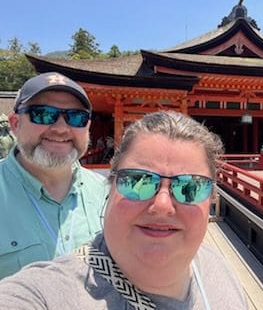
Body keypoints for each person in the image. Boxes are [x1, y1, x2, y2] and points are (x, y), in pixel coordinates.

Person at [0, 110, 248, 309]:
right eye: (138, 181)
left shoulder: (219, 269)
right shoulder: (45, 293)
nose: (162, 205)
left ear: (212, 198)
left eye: (190, 187)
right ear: (111, 186)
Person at [0, 72, 108, 279]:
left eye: (76, 117)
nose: (60, 129)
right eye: (43, 114)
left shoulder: (108, 193)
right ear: (15, 123)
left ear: (88, 127)